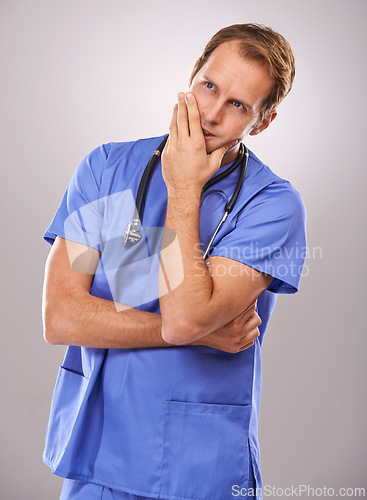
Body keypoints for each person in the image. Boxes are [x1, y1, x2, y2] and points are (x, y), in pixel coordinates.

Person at [42, 23, 307, 500]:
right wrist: (202, 330)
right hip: (98, 454)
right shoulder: (105, 168)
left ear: (261, 122)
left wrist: (185, 188)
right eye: (209, 86)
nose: (212, 114)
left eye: (239, 105)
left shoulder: (272, 205)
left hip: (200, 463)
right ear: (192, 76)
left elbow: (184, 318)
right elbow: (61, 316)